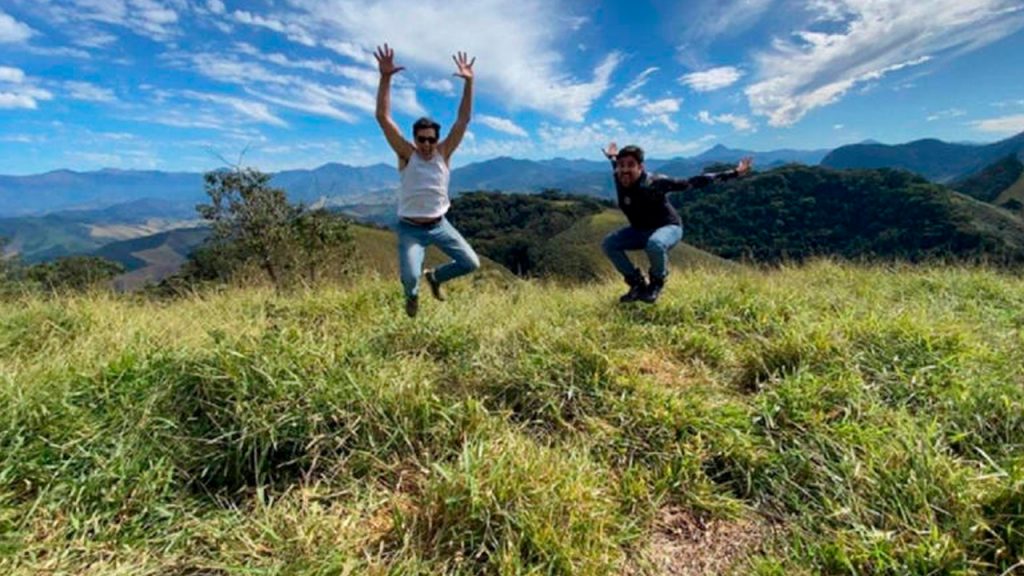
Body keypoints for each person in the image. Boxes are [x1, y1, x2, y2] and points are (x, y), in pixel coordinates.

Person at [374, 44, 481, 317]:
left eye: (431, 139)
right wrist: (385, 78)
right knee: (409, 278)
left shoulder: (444, 153)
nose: (427, 144)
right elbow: (383, 118)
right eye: (422, 139)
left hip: (440, 224)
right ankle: (412, 296)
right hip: (410, 228)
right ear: (414, 138)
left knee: (471, 263)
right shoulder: (406, 154)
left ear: (437, 139)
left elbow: (463, 119)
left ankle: (435, 277)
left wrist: (469, 83)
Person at [601, 142, 752, 303]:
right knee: (609, 244)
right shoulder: (620, 176)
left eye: (631, 165)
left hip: (668, 227)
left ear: (641, 167)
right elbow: (616, 164)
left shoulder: (655, 182)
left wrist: (734, 173)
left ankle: (656, 283)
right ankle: (637, 284)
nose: (624, 169)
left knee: (655, 244)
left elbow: (693, 182)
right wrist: (612, 157)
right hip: (639, 230)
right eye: (621, 165)